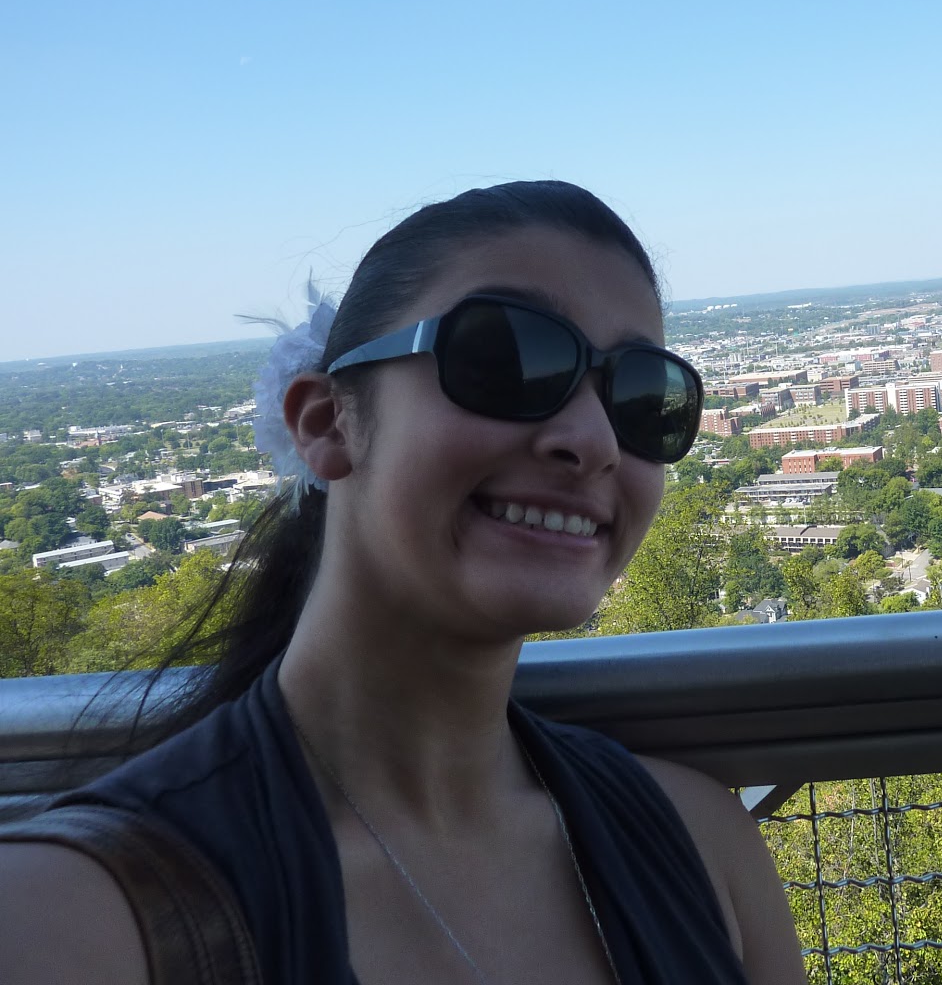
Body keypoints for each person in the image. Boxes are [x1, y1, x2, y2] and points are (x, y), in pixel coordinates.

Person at [0, 181, 807, 984]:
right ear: (327, 423)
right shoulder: (67, 919)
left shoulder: (704, 846)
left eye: (644, 396)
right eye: (507, 359)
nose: (594, 440)